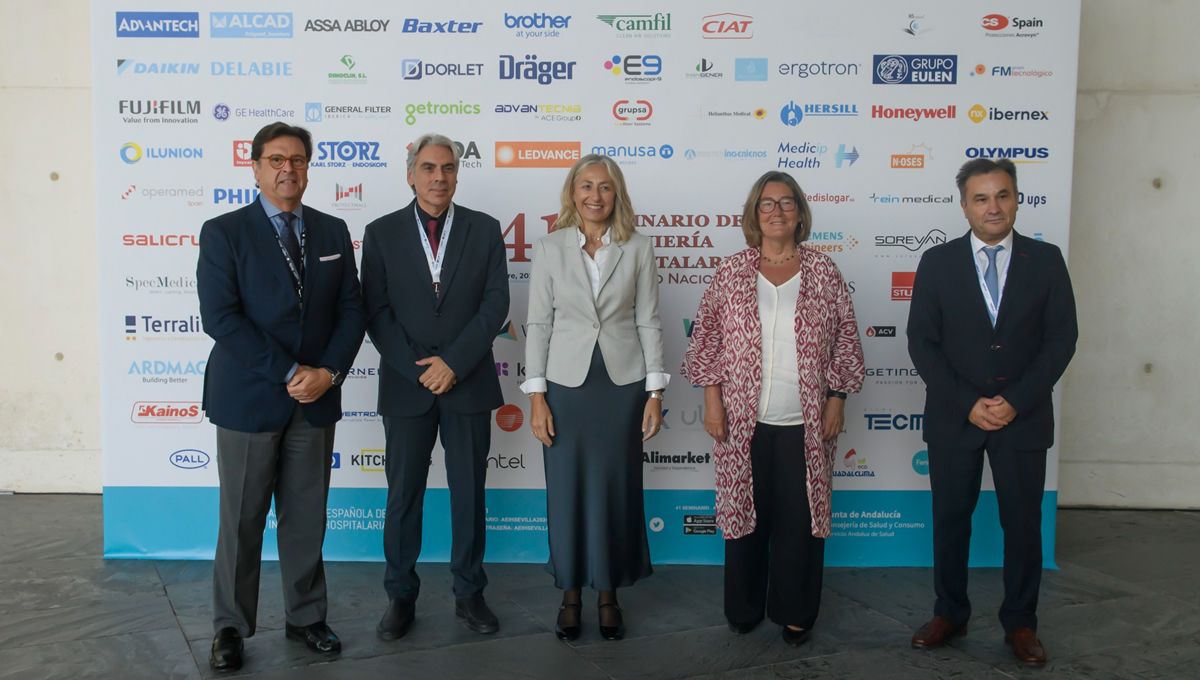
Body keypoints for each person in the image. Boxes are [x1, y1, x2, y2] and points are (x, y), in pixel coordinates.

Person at [197, 121, 365, 672]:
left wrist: (329, 372)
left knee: (306, 516)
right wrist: (293, 369)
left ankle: (306, 615)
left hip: (317, 398)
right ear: (255, 166)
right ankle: (230, 627)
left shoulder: (333, 231)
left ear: (308, 167)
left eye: (297, 159)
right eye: (275, 159)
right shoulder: (224, 232)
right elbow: (221, 318)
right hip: (249, 398)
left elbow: (351, 311)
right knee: (242, 519)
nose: (287, 168)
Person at [681, 170, 864, 646]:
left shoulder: (824, 271)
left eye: (786, 203)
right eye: (767, 204)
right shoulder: (732, 271)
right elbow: (706, 340)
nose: (777, 211)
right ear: (753, 214)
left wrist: (837, 398)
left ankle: (796, 610)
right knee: (744, 517)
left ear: (800, 213)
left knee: (800, 522)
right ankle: (743, 608)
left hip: (805, 421)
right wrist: (712, 400)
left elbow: (846, 339)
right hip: (741, 422)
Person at [906, 158, 1077, 666]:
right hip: (955, 418)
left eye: (1002, 195)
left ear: (1017, 199)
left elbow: (1061, 340)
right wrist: (969, 404)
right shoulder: (936, 263)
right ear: (964, 206)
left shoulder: (1047, 260)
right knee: (951, 519)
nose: (993, 206)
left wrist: (1015, 401)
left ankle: (1021, 623)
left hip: (1022, 419)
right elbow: (922, 343)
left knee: (1022, 524)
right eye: (981, 198)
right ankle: (949, 612)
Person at [361, 133, 510, 640]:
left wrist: (454, 363)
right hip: (407, 386)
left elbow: (495, 305)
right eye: (428, 168)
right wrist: (420, 368)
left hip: (467, 383)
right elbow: (375, 313)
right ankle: (400, 595)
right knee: (404, 495)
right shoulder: (380, 233)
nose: (438, 177)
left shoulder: (485, 229)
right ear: (410, 174)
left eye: (447, 168)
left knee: (469, 493)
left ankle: (470, 593)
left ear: (457, 174)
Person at [523, 154, 667, 641]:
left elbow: (648, 319)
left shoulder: (639, 247)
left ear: (616, 193)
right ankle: (570, 594)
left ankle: (609, 594)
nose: (595, 196)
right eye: (586, 186)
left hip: (622, 387)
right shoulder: (549, 247)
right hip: (565, 387)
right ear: (572, 192)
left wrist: (654, 390)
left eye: (604, 187)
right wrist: (536, 396)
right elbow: (539, 322)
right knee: (566, 491)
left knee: (615, 489)